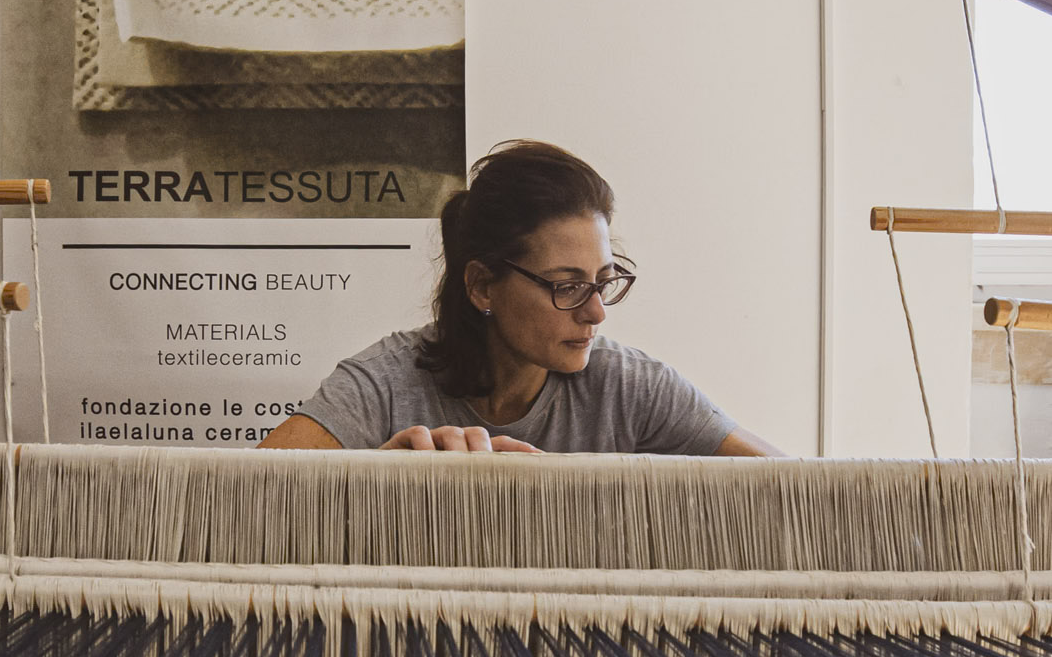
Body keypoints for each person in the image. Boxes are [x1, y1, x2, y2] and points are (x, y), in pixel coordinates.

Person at [262, 141, 782, 456]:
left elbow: (804, 495)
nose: (596, 311)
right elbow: (235, 502)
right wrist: (375, 479)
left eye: (603, 280)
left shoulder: (630, 389)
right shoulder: (384, 386)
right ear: (483, 285)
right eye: (567, 285)